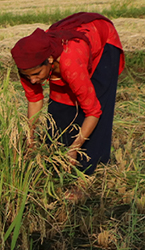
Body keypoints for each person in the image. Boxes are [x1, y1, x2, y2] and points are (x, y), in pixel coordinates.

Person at [11, 12, 124, 176]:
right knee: (59, 110)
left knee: (96, 102)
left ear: (49, 60)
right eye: (28, 76)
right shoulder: (28, 67)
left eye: (36, 74)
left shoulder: (71, 62)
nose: (33, 80)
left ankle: (88, 173)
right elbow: (35, 100)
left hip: (100, 42)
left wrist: (75, 147)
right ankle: (58, 166)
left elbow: (93, 111)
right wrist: (30, 138)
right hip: (63, 60)